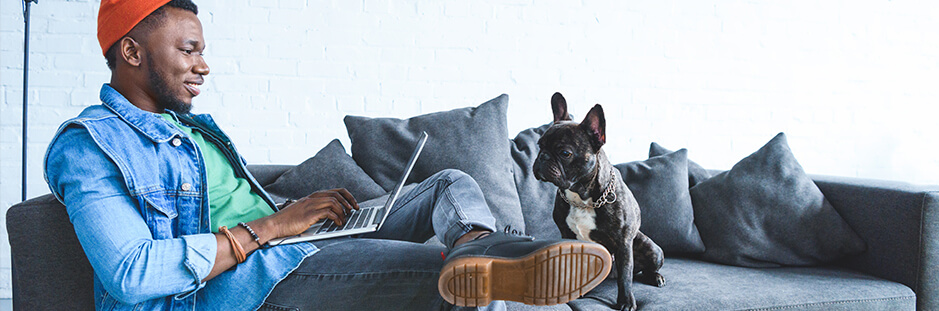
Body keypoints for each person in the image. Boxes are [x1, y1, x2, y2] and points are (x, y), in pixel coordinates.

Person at [43, 1, 613, 310]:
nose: (204, 64)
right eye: (189, 49)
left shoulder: (187, 128)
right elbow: (130, 272)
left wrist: (295, 213)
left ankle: (477, 244)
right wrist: (270, 227)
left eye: (203, 49)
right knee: (462, 286)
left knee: (449, 185)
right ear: (132, 51)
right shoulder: (87, 146)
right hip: (254, 278)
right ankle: (489, 269)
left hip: (293, 240)